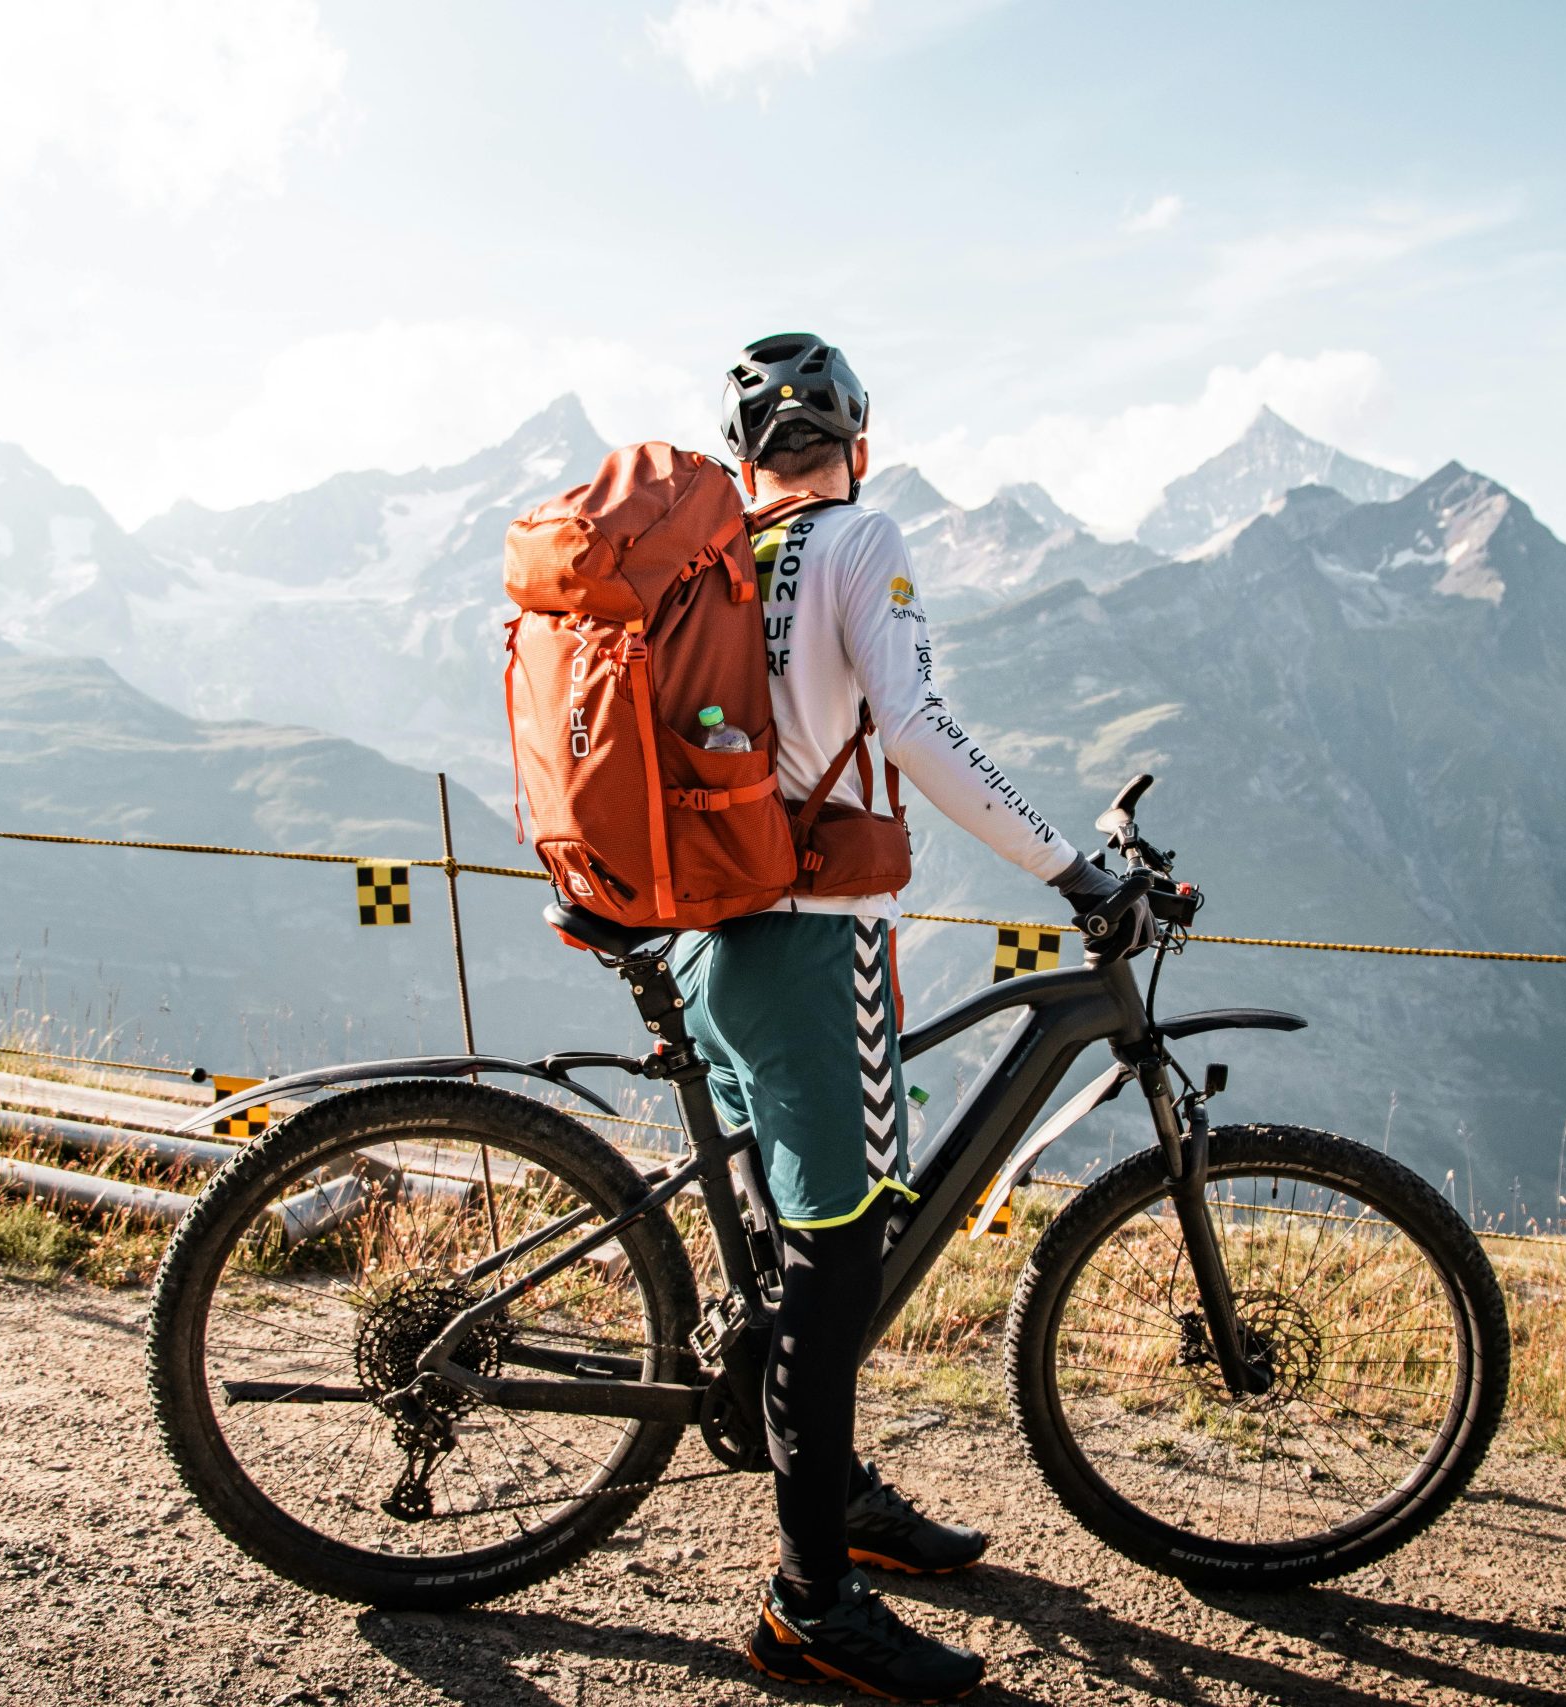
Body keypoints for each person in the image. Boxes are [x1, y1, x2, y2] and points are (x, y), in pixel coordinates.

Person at [688, 334, 1150, 1702]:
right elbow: (920, 727)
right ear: (857, 446)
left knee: (825, 1239)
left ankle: (837, 1493)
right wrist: (1070, 864)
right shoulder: (855, 540)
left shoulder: (729, 559)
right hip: (810, 947)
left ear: (740, 460)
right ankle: (807, 1602)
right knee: (837, 1270)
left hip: (742, 936)